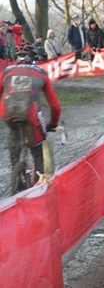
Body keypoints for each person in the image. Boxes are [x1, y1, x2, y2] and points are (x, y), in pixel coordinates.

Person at [0, 43, 61, 184]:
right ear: (34, 59)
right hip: (30, 112)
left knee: (14, 134)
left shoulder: (6, 71)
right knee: (41, 145)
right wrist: (52, 123)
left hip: (6, 111)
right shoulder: (40, 72)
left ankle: (15, 173)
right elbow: (55, 106)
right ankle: (42, 181)